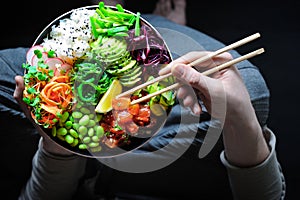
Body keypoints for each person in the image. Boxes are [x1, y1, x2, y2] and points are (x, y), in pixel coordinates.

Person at [0, 6, 285, 200]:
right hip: (181, 166)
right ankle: (158, 22)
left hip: (86, 174)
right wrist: (240, 116)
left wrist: (56, 145)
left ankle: (138, 19)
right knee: (252, 93)